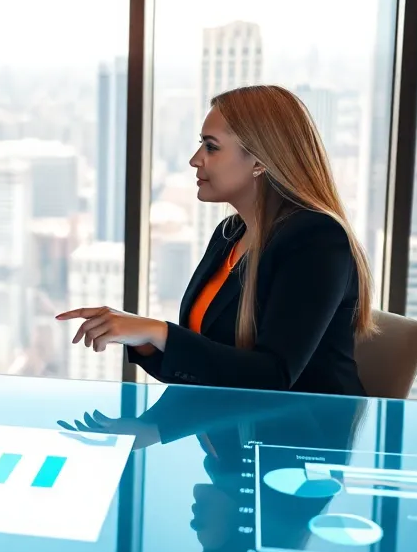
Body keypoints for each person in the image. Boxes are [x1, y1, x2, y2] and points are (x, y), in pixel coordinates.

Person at [58, 85, 374, 396]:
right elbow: (210, 364)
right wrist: (144, 339)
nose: (195, 160)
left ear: (259, 161)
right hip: (231, 422)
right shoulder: (230, 233)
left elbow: (272, 376)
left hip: (307, 427)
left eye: (211, 147)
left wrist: (158, 331)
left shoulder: (317, 240)